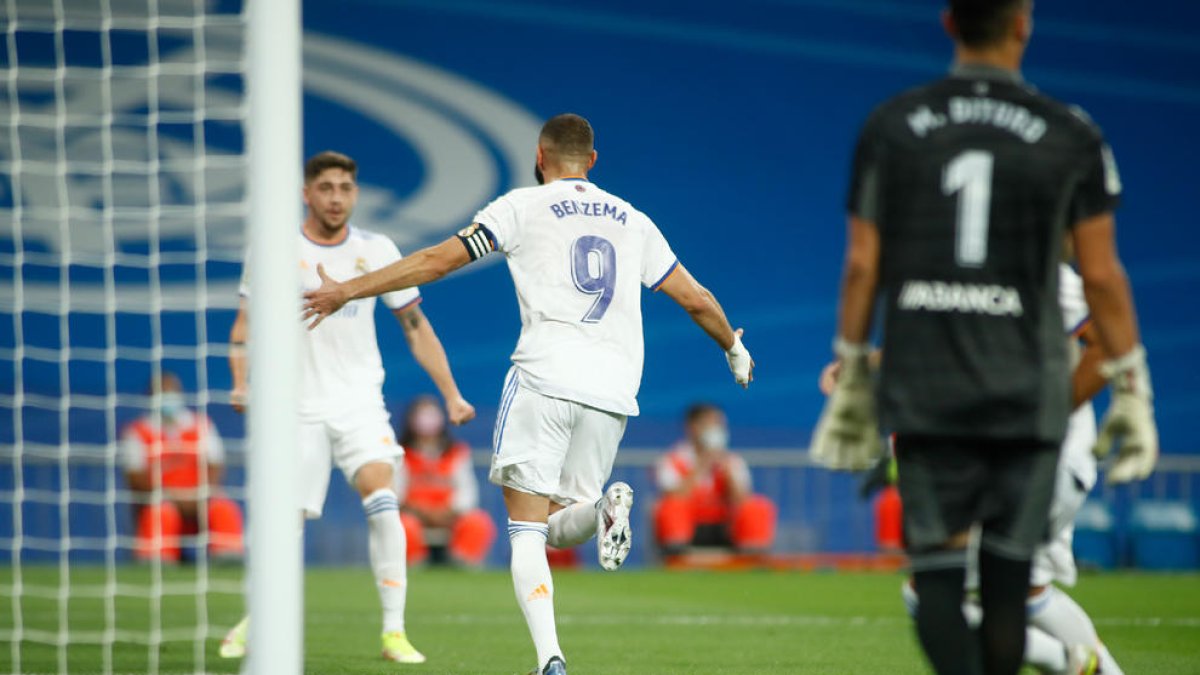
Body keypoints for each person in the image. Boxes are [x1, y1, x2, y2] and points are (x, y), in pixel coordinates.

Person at [302, 113, 754, 675]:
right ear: (593, 162)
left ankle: (550, 659)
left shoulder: (520, 205)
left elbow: (437, 260)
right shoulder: (634, 220)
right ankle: (603, 508)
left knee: (528, 530)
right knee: (567, 524)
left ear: (540, 159)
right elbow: (695, 298)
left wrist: (349, 288)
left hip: (543, 377)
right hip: (613, 392)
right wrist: (732, 348)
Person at [811, 1, 1158, 673]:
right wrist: (1133, 387)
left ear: (948, 22)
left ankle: (1092, 665)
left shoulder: (892, 125)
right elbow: (1104, 275)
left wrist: (855, 370)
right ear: (1023, 23)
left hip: (931, 393)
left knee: (935, 582)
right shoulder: (1070, 134)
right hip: (1023, 397)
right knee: (1007, 585)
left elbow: (861, 265)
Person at [219, 151, 476, 664]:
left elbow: (415, 326)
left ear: (355, 194)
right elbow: (244, 326)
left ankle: (394, 632)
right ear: (307, 193)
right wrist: (242, 383)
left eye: (346, 188)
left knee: (382, 497)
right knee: (284, 522)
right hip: (295, 409)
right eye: (327, 188)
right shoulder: (274, 249)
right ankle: (259, 618)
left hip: (360, 402)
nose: (337, 197)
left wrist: (451, 392)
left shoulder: (377, 249)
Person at [821, 258, 1126, 674]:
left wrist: (1049, 417)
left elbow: (1105, 341)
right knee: (1029, 591)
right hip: (1015, 456)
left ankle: (1067, 662)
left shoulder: (1038, 268)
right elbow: (923, 338)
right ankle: (1097, 669)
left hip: (1041, 456)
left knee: (932, 594)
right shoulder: (951, 270)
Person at [122, 372, 244, 563]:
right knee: (162, 513)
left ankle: (228, 560)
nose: (168, 397)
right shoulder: (138, 432)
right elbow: (135, 477)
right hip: (162, 500)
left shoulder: (201, 426)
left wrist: (200, 493)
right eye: (162, 392)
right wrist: (171, 496)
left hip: (200, 498)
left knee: (223, 508)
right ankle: (157, 561)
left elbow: (214, 466)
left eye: (172, 391)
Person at [653, 403, 776, 555]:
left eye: (719, 425)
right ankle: (677, 554)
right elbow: (675, 495)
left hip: (724, 525)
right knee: (671, 506)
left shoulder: (733, 461)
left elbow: (742, 499)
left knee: (757, 506)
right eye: (710, 424)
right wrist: (703, 464)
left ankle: (753, 555)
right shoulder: (671, 460)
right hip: (690, 526)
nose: (716, 430)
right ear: (692, 427)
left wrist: (727, 472)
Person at [395, 395, 496, 567]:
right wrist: (421, 512)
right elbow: (396, 493)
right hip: (413, 515)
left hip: (450, 517)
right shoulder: (400, 454)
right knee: (404, 526)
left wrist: (447, 512)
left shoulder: (456, 453)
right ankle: (413, 566)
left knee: (477, 522)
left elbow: (467, 494)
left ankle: (463, 565)